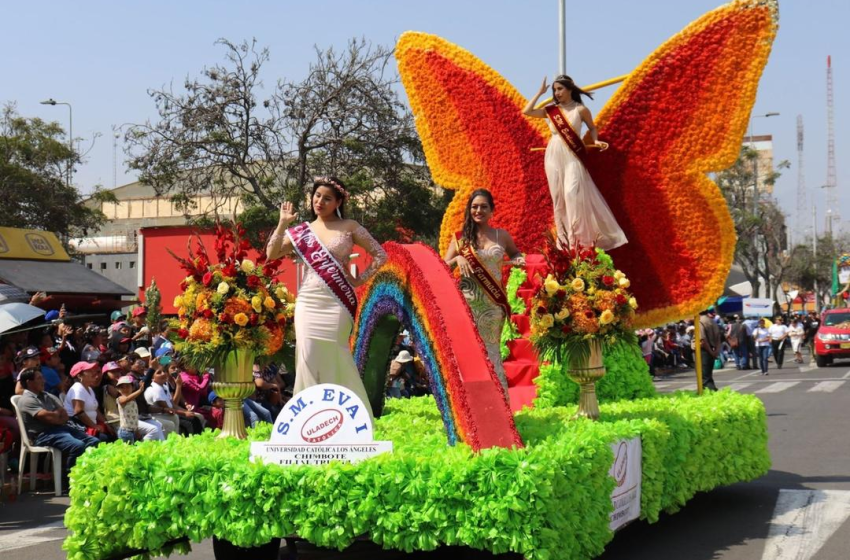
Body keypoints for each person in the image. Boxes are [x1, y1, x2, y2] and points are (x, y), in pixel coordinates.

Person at [266, 176, 387, 417]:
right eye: (317, 196)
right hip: (309, 301)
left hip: (337, 301)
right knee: (307, 355)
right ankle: (308, 417)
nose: (319, 201)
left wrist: (359, 279)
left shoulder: (350, 227)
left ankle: (346, 415)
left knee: (336, 354)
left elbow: (380, 255)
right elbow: (271, 253)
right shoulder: (303, 231)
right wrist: (282, 224)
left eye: (327, 198)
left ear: (339, 202)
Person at [522, 75, 627, 251]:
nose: (557, 93)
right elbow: (527, 111)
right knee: (558, 199)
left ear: (570, 89)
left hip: (572, 155)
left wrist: (595, 140)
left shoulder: (580, 110)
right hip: (553, 155)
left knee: (572, 194)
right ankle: (562, 244)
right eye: (555, 90)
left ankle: (576, 242)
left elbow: (592, 128)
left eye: (560, 89)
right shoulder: (551, 111)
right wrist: (540, 93)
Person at [443, 189, 525, 392]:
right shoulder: (460, 238)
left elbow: (515, 253)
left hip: (493, 304)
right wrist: (458, 258)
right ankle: (470, 405)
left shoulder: (501, 235)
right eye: (474, 206)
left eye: (483, 207)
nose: (478, 210)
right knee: (467, 354)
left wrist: (518, 260)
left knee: (491, 353)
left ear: (492, 211)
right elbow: (443, 265)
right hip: (467, 304)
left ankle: (499, 403)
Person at [16, 368, 100, 491]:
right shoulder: (27, 400)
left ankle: (87, 476)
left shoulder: (48, 396)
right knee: (78, 445)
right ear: (29, 382)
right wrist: (56, 415)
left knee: (94, 441)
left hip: (60, 429)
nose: (44, 381)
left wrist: (56, 417)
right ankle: (69, 482)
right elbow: (48, 418)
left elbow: (64, 415)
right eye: (39, 378)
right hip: (42, 435)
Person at [65, 361, 116, 442]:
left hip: (91, 426)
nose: (93, 372)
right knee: (106, 439)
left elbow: (95, 409)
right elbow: (78, 412)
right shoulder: (78, 388)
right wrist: (95, 426)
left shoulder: (89, 389)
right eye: (89, 371)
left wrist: (106, 424)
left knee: (113, 435)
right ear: (79, 376)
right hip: (79, 428)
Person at [145, 366, 203, 435]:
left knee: (195, 417)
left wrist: (187, 411)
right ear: (152, 378)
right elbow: (168, 410)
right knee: (190, 422)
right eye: (159, 373)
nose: (163, 373)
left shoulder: (164, 386)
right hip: (159, 415)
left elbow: (173, 405)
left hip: (169, 413)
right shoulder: (155, 388)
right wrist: (184, 413)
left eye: (164, 371)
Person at [115, 375, 164, 444]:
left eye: (127, 386)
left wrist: (137, 430)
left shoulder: (133, 400)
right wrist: (139, 390)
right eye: (122, 387)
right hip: (125, 431)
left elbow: (134, 417)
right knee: (128, 451)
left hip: (133, 430)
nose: (125, 389)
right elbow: (126, 399)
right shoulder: (120, 399)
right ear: (118, 390)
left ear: (132, 387)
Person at [699, 310, 721, 391]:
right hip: (711, 349)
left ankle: (711, 393)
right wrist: (716, 351)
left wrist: (711, 352)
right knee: (708, 374)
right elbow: (718, 338)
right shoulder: (712, 321)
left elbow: (703, 340)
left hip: (704, 351)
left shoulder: (700, 322)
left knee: (704, 376)